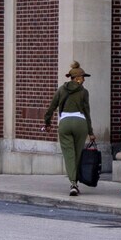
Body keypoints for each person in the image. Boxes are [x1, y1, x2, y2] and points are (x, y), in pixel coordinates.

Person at [45, 62, 94, 197]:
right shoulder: (84, 92)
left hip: (65, 123)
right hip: (80, 123)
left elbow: (51, 107)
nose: (84, 80)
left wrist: (47, 122)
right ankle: (75, 182)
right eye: (83, 77)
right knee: (78, 154)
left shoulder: (61, 90)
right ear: (77, 78)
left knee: (69, 155)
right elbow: (87, 112)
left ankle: (73, 183)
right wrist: (91, 132)